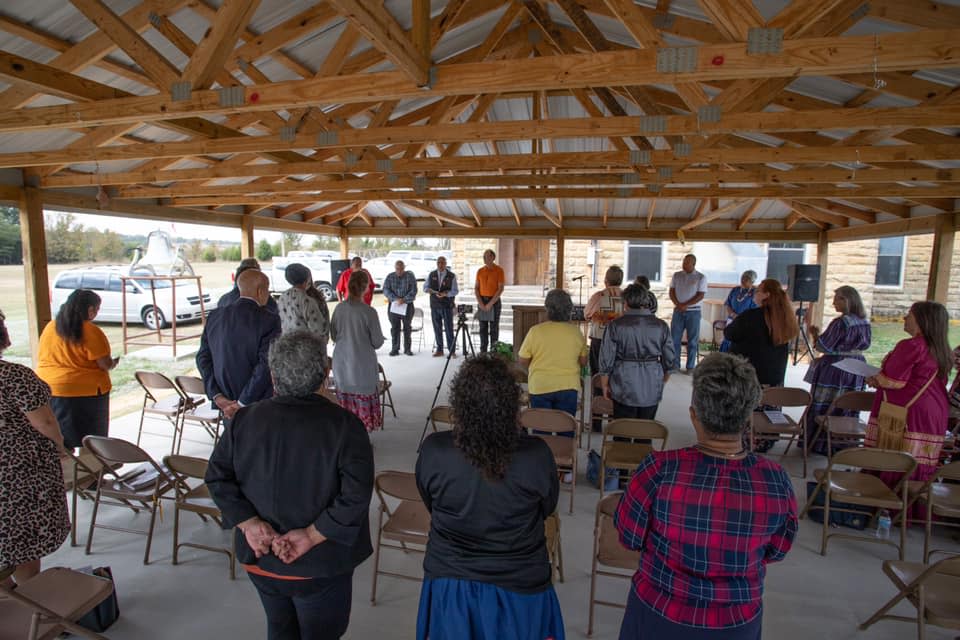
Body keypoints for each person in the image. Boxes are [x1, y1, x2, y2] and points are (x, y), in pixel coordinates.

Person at [615, 352, 797, 640]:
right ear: (748, 415)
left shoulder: (659, 469)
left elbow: (629, 537)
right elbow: (778, 550)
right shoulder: (775, 480)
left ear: (693, 414)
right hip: (736, 621)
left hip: (659, 613)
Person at [206, 331, 374, 640]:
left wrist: (250, 524)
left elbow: (217, 477)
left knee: (280, 629)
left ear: (272, 374)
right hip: (319, 565)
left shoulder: (243, 421)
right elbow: (355, 496)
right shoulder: (345, 426)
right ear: (325, 374)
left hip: (261, 557)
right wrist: (311, 535)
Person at [415, 355, 564, 640]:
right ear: (512, 404)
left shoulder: (434, 451)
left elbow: (430, 502)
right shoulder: (536, 455)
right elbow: (547, 507)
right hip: (519, 583)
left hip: (451, 582)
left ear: (459, 404)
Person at [0, 309, 70, 587]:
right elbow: (44, 421)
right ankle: (31, 599)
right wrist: (61, 446)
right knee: (23, 538)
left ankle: (9, 598)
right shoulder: (15, 377)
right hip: (20, 474)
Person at [865, 301, 951, 489]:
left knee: (896, 461)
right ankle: (913, 512)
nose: (904, 318)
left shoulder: (912, 345)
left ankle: (886, 504)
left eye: (909, 315)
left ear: (922, 320)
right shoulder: (940, 347)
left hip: (908, 414)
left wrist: (874, 379)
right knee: (919, 462)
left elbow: (893, 380)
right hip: (933, 412)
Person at [36, 289, 118, 448]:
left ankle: (71, 468)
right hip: (85, 393)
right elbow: (104, 364)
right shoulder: (90, 330)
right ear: (90, 309)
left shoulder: (51, 327)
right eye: (97, 308)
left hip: (51, 388)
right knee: (92, 441)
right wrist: (113, 363)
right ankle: (92, 469)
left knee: (63, 437)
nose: (96, 313)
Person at [197, 270, 282, 421]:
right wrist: (242, 403)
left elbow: (203, 358)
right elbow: (266, 364)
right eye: (267, 290)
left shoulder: (215, 316)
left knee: (233, 441)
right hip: (256, 403)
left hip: (225, 402)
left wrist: (217, 395)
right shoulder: (268, 320)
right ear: (260, 291)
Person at [804, 286, 872, 454]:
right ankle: (844, 442)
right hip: (856, 366)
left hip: (836, 367)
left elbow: (823, 346)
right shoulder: (864, 322)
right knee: (848, 402)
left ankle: (820, 443)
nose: (834, 303)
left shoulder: (841, 322)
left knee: (827, 403)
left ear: (847, 300)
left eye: (838, 299)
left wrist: (815, 334)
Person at [599, 283, 674, 420]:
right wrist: (661, 381)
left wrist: (604, 384)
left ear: (625, 302)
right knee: (645, 431)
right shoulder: (661, 326)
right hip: (652, 382)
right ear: (646, 301)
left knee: (621, 432)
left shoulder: (615, 325)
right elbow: (670, 361)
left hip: (622, 383)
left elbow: (606, 358)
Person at [330, 270, 385, 432]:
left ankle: (347, 439)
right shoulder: (369, 312)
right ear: (366, 288)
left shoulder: (339, 309)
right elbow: (377, 342)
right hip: (362, 367)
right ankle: (361, 441)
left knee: (345, 406)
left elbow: (333, 335)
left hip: (342, 364)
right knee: (362, 409)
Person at [518, 288, 588, 417]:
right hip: (568, 386)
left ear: (547, 309)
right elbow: (584, 362)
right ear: (568, 310)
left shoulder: (536, 331)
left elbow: (522, 359)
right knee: (566, 428)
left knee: (543, 428)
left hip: (540, 385)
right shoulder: (576, 333)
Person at [724, 278, 799, 387]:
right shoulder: (786, 318)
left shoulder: (751, 316)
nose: (755, 293)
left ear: (766, 295)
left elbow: (729, 333)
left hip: (748, 379)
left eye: (758, 290)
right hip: (775, 379)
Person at [278, 263, 330, 353]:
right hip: (306, 352)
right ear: (306, 278)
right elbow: (318, 330)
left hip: (288, 350)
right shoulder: (307, 300)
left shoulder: (282, 298)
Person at [669, 254, 708, 373]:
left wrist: (686, 304)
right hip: (678, 311)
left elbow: (701, 295)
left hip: (694, 312)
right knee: (674, 338)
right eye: (684, 262)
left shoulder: (700, 277)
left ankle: (690, 366)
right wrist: (678, 304)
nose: (684, 264)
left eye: (687, 262)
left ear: (693, 264)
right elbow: (672, 291)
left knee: (692, 340)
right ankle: (675, 365)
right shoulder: (677, 275)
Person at [584, 265, 624, 376]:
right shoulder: (626, 296)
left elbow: (586, 314)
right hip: (620, 339)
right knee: (616, 372)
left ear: (606, 280)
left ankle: (598, 392)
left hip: (599, 338)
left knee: (597, 371)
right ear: (620, 280)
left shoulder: (599, 296)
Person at [424, 256, 458, 358]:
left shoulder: (451, 276)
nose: (440, 264)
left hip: (447, 306)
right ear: (436, 263)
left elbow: (455, 291)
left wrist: (445, 294)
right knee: (437, 328)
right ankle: (439, 350)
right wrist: (430, 290)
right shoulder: (432, 274)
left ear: (446, 264)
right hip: (434, 305)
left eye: (442, 263)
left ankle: (451, 351)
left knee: (449, 328)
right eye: (438, 262)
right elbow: (425, 288)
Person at [382, 260, 418, 357]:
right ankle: (395, 348)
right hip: (394, 305)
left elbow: (414, 290)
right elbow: (385, 290)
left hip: (407, 305)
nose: (399, 271)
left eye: (401, 269)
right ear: (395, 268)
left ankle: (407, 349)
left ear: (404, 268)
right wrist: (395, 299)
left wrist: (404, 299)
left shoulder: (410, 276)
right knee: (395, 328)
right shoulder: (390, 277)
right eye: (397, 269)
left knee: (407, 327)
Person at [474, 249, 505, 353]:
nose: (484, 258)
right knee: (482, 328)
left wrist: (490, 304)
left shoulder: (499, 270)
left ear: (492, 257)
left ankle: (493, 352)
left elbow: (500, 289)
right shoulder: (480, 271)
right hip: (482, 300)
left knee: (493, 329)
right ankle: (483, 352)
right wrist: (481, 303)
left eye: (487, 256)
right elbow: (476, 288)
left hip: (494, 301)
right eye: (483, 256)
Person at [719, 270, 758, 352]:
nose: (743, 280)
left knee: (739, 344)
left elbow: (755, 310)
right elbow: (728, 304)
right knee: (727, 340)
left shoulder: (755, 293)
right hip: (732, 320)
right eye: (742, 277)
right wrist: (733, 315)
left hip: (746, 322)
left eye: (746, 279)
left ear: (752, 281)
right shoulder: (735, 290)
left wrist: (740, 318)